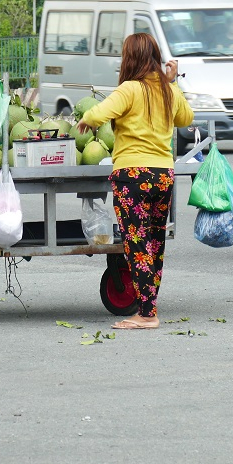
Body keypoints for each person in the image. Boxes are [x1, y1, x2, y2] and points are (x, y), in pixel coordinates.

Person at [76, 33, 194, 330]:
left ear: (130, 59)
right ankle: (148, 307)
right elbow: (186, 118)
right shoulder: (167, 91)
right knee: (154, 242)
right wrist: (172, 81)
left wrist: (87, 118)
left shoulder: (129, 89)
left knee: (136, 243)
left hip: (133, 176)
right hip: (163, 175)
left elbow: (101, 111)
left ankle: (146, 314)